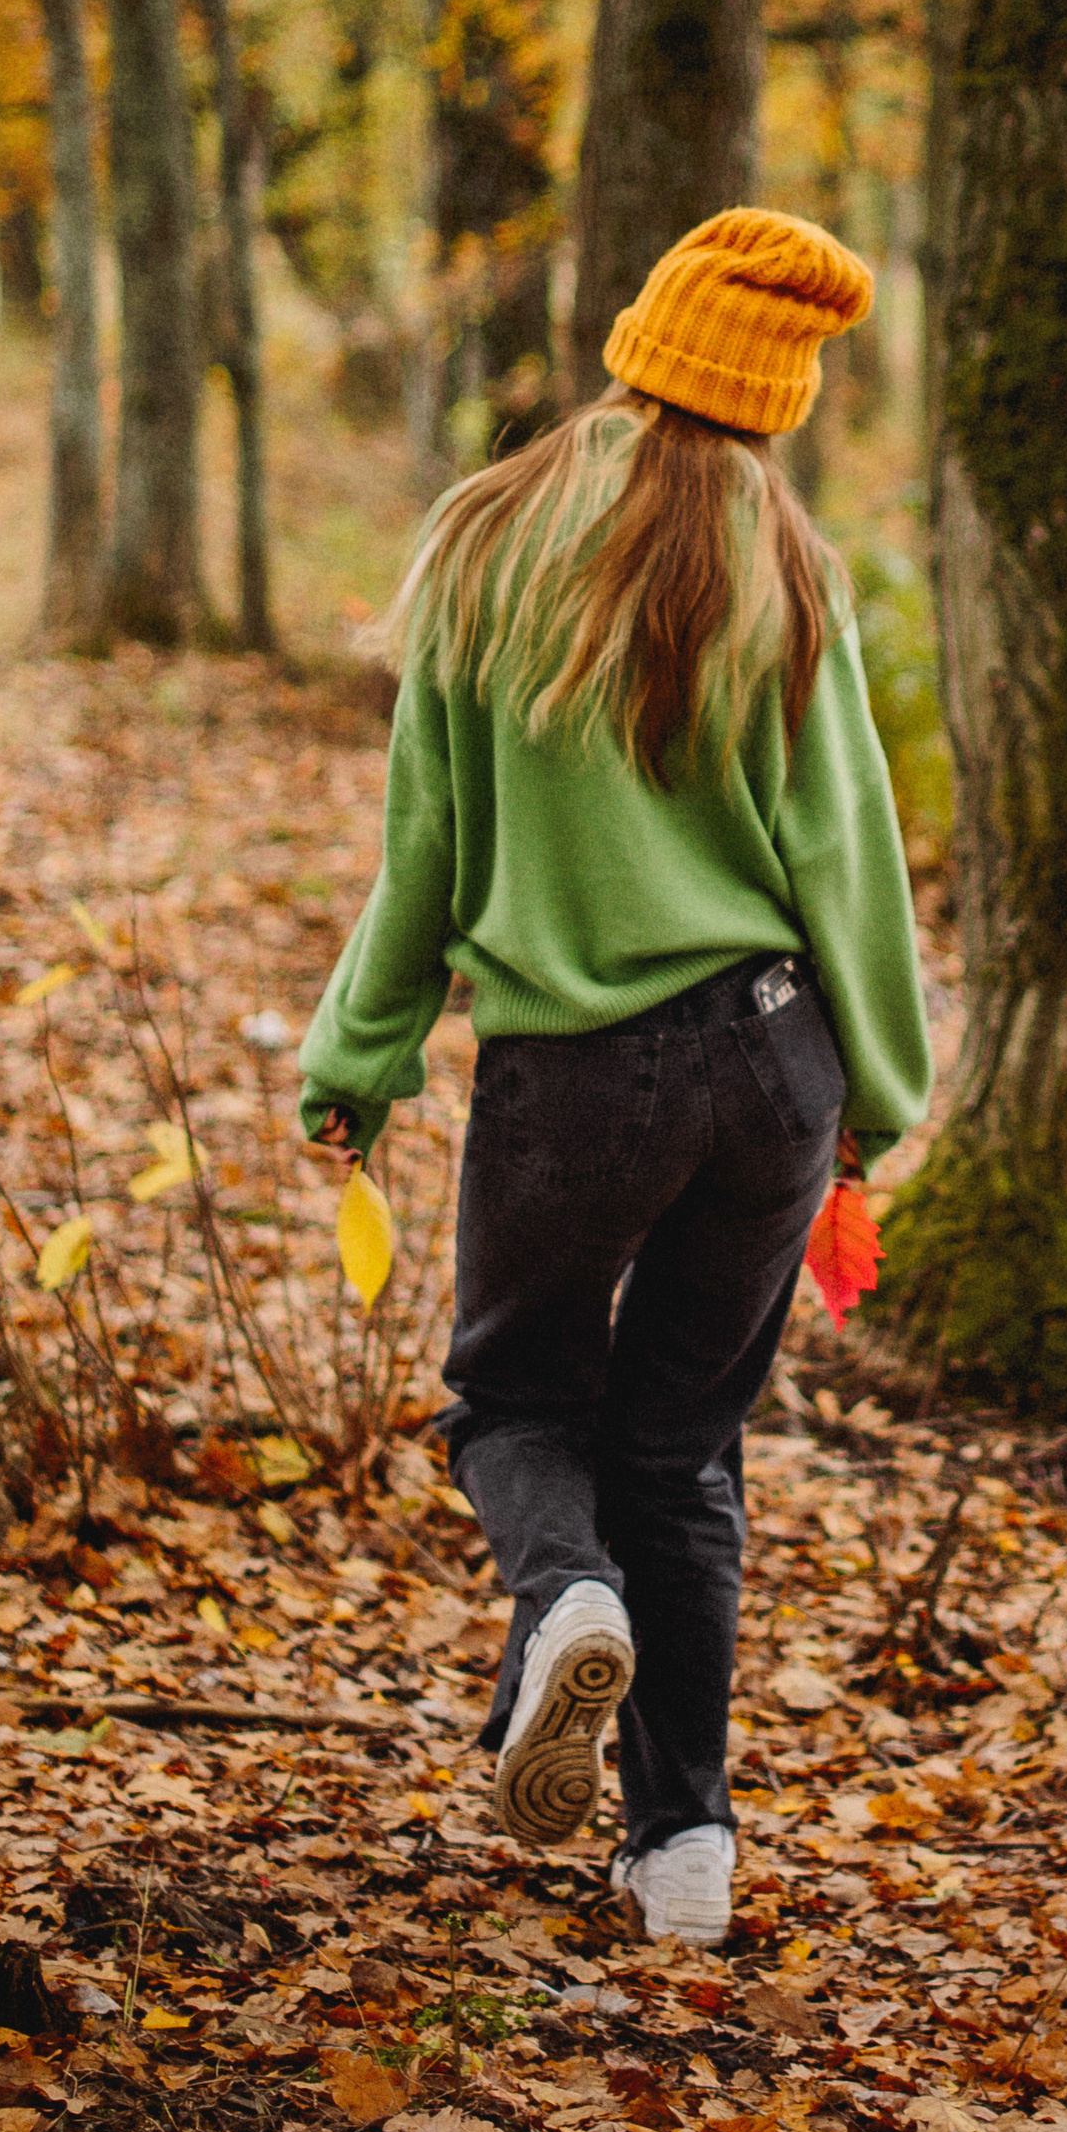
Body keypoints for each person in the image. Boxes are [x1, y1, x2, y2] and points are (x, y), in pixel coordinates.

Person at [300, 209, 931, 1946]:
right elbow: (849, 852)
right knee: (685, 1450)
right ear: (775, 395)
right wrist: (876, 1088)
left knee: (513, 1403)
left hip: (572, 1072)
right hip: (773, 1057)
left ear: (638, 341)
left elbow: (422, 841)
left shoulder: (488, 533)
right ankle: (684, 1850)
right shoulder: (789, 567)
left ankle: (566, 1598)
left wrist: (360, 1046)